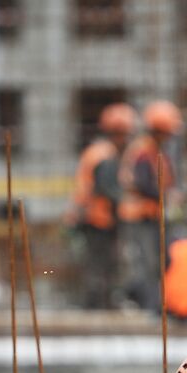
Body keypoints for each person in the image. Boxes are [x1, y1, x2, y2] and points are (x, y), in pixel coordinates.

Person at [69, 103, 135, 309]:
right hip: (99, 219)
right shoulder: (106, 155)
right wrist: (127, 203)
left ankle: (98, 304)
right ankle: (98, 306)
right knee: (102, 266)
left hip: (90, 216)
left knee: (96, 266)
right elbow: (107, 189)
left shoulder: (96, 151)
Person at [119, 100, 183, 306]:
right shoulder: (143, 150)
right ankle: (148, 305)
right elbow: (142, 183)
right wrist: (166, 197)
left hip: (151, 214)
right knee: (146, 262)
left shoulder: (154, 150)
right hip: (140, 215)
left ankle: (156, 302)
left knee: (156, 261)